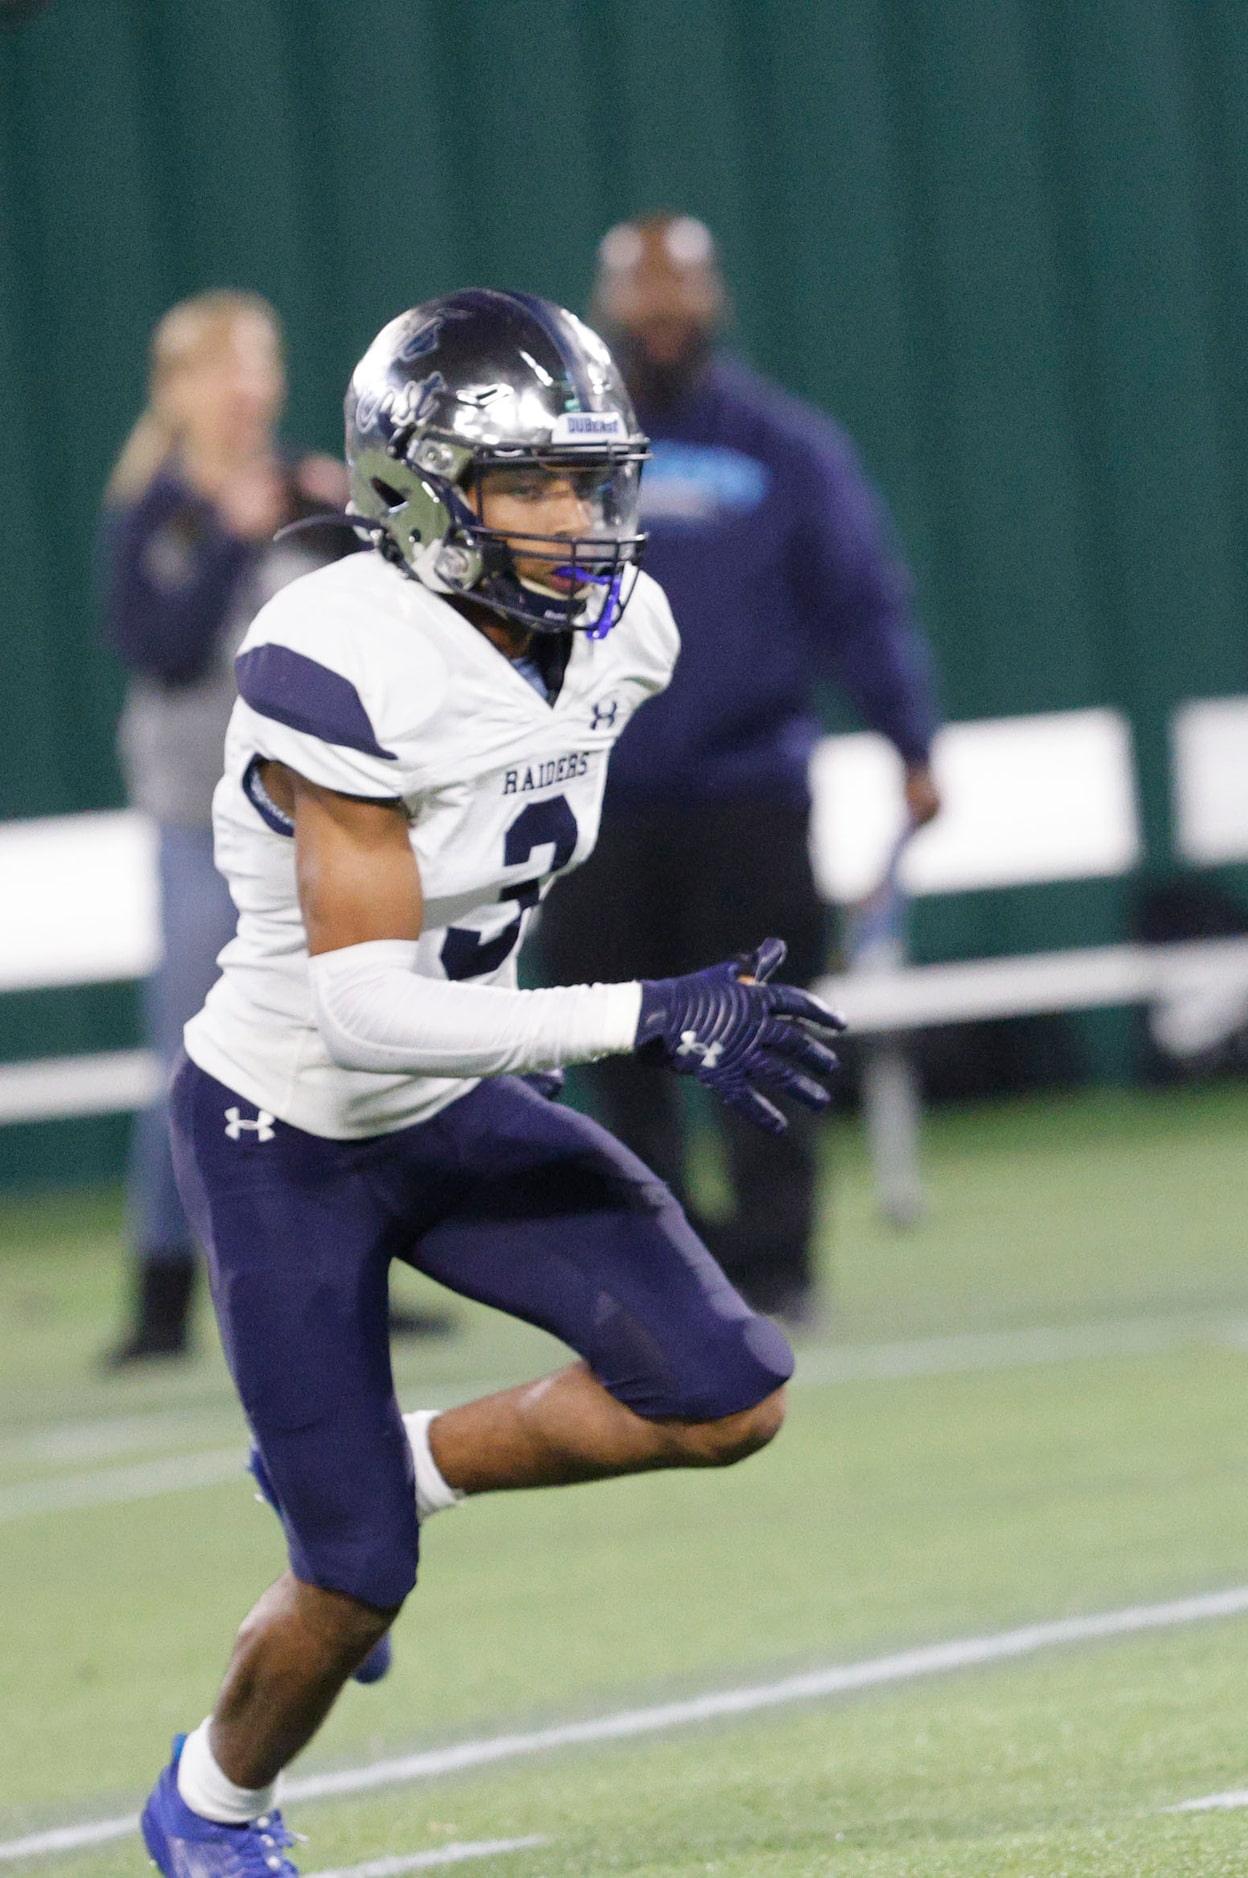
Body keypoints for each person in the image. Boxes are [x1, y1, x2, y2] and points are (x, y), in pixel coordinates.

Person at [137, 288, 843, 1878]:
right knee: (350, 1580)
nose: (578, 516)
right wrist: (649, 1013)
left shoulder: (621, 629)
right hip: (291, 1127)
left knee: (728, 1390)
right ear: (419, 491)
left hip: (451, 1091)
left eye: (591, 478)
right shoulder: (336, 659)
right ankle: (210, 1797)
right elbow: (372, 1012)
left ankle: (410, 1455)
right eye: (530, 483)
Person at [535, 213, 941, 1322]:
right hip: (594, 800)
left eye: (681, 292)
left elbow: (861, 600)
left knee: (759, 1040)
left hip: (749, 794)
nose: (662, 315)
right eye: (641, 294)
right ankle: (670, 1259)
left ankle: (778, 1261)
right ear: (610, 308)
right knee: (616, 1049)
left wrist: (912, 741)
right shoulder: (559, 464)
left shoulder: (783, 447)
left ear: (711, 302)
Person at [94, 292, 405, 1363]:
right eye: (220, 369)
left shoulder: (304, 491)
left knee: (353, 1036)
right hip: (199, 824)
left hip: (313, 816)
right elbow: (159, 648)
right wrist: (230, 542)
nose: (244, 390)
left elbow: (384, 621)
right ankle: (163, 1297)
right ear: (177, 389)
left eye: (257, 366)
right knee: (192, 1052)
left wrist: (350, 521)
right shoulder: (158, 514)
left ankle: (363, 1269)